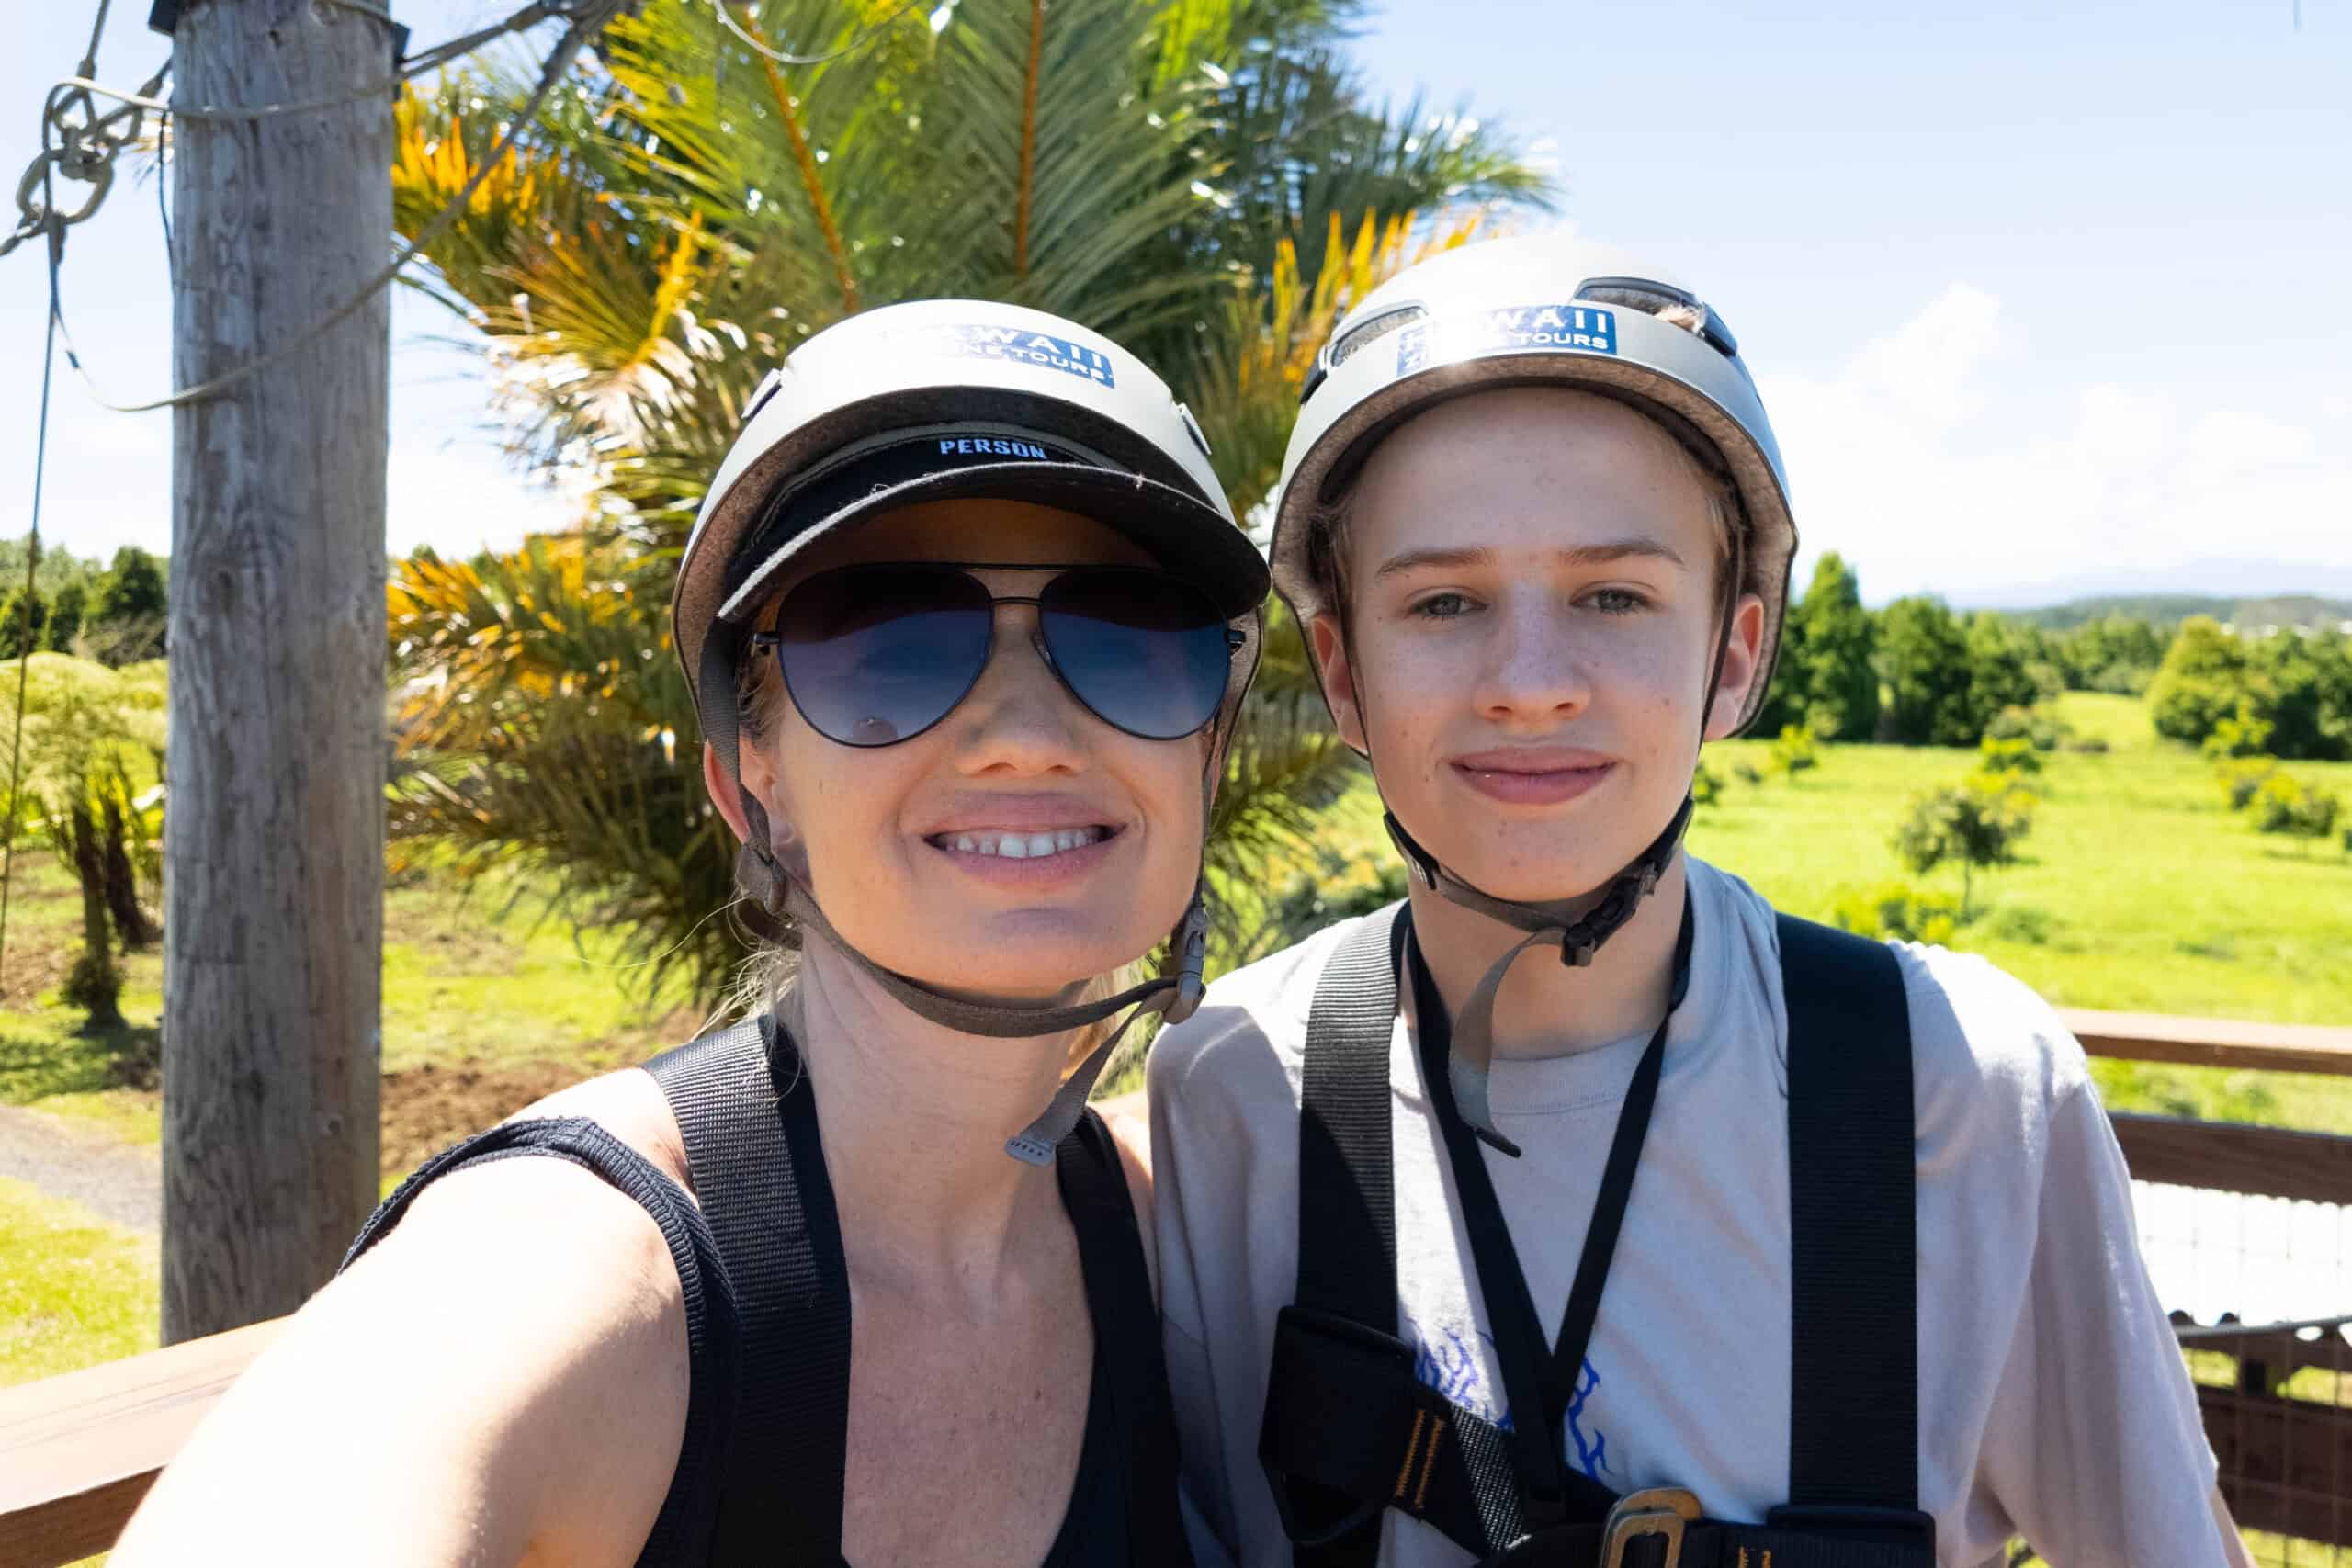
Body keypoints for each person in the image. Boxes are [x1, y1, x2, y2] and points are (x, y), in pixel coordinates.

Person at [1145, 237, 2252, 1568]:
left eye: (1615, 594)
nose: (1531, 680)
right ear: (1341, 671)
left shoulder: (1961, 1093)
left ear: (1735, 654)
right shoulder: (1236, 1090)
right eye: (1443, 602)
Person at [112, 299, 1268, 1568]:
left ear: (1206, 756)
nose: (1027, 733)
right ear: (748, 780)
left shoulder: (1190, 1235)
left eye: (1131, 638)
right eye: (885, 644)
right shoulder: (562, 1270)